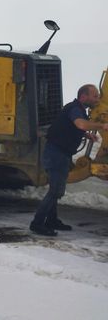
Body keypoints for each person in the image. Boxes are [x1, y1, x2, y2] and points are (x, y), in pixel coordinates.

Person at [30, 84, 108, 236]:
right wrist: (102, 126)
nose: (97, 99)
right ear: (83, 96)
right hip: (56, 154)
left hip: (60, 153)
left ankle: (52, 221)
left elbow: (71, 126)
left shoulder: (76, 109)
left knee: (56, 189)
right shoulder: (75, 109)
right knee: (55, 191)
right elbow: (80, 124)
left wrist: (86, 135)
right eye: (95, 96)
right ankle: (37, 224)